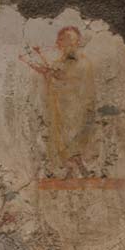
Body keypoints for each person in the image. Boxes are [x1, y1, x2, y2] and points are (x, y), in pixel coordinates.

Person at [21, 26, 97, 179]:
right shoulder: (60, 62)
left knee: (74, 138)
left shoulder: (83, 63)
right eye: (61, 40)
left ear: (75, 42)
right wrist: (47, 73)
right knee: (63, 138)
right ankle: (72, 167)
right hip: (62, 109)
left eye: (64, 40)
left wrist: (59, 77)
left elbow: (80, 86)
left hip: (78, 109)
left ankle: (76, 164)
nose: (60, 44)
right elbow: (54, 77)